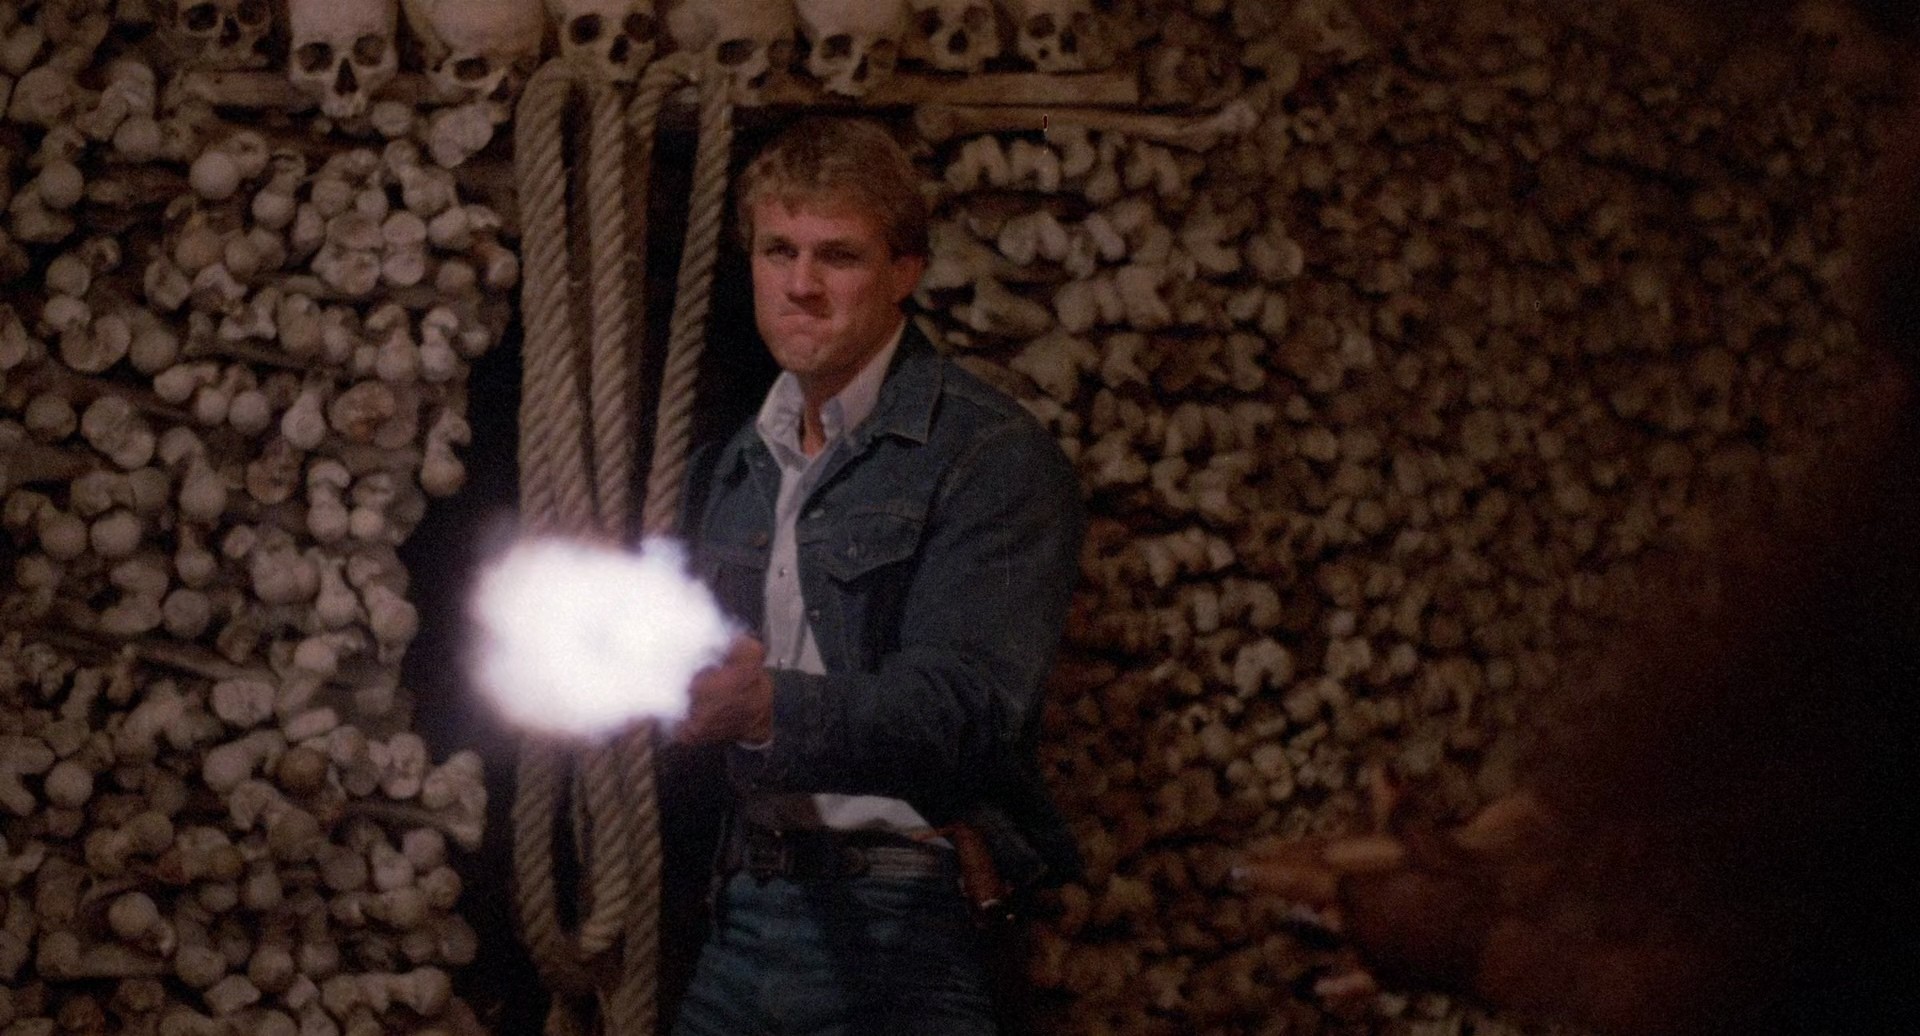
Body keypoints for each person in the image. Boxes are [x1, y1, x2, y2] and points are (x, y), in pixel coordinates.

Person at [666, 116, 1086, 1036]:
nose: (801, 285)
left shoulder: (988, 458)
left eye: (839, 256)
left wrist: (766, 709)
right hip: (744, 901)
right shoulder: (735, 464)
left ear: (905, 272)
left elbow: (965, 707)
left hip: (903, 918)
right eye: (779, 251)